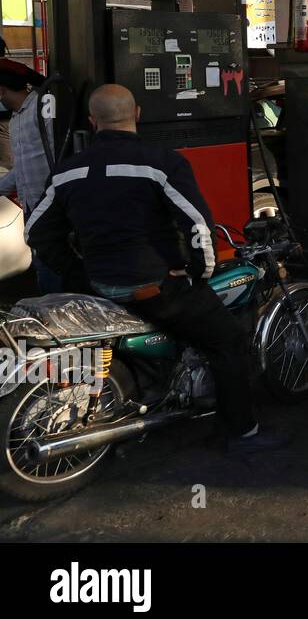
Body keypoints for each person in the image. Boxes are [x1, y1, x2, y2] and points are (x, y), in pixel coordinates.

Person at [25, 84, 285, 454]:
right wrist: (200, 273)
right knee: (227, 340)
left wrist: (77, 273)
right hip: (153, 286)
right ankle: (241, 432)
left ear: (92, 121)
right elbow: (197, 226)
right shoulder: (161, 162)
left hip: (98, 286)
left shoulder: (67, 171)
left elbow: (36, 231)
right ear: (139, 114)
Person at [0, 60, 61, 292]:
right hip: (31, 202)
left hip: (50, 201)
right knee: (41, 261)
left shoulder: (42, 105)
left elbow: (55, 150)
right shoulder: (16, 118)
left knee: (49, 264)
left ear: (2, 90)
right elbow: (22, 168)